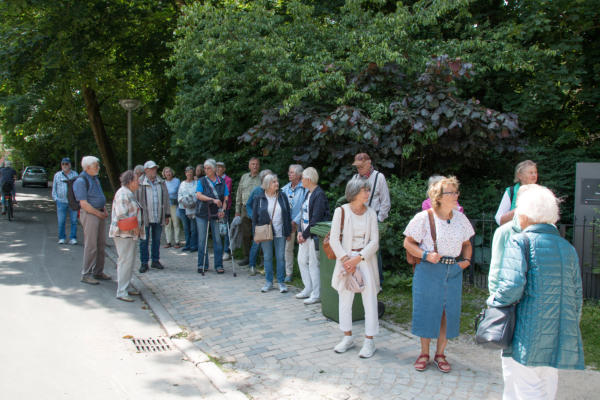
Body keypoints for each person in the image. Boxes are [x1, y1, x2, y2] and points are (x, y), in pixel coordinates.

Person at [488, 184, 584, 399]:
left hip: (526, 331)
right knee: (546, 385)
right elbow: (577, 296)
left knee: (523, 387)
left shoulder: (520, 241)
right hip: (557, 332)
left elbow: (511, 287)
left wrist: (493, 301)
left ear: (525, 213)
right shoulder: (567, 248)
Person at [403, 176, 474, 373]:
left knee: (447, 313)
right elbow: (408, 243)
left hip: (453, 271)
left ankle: (440, 354)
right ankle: (424, 353)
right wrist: (426, 255)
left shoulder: (460, 219)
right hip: (428, 270)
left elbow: (467, 244)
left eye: (456, 192)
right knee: (427, 310)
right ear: (438, 197)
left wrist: (466, 262)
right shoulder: (424, 218)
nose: (455, 195)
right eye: (451, 192)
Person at [329, 177, 380, 358]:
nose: (368, 193)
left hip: (365, 260)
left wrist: (358, 259)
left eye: (368, 190)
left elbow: (374, 242)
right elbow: (334, 239)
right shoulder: (341, 211)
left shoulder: (371, 213)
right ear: (354, 193)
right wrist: (346, 260)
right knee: (345, 299)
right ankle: (347, 337)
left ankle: (369, 341)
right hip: (345, 261)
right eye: (364, 190)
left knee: (370, 300)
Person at [352, 153, 390, 284]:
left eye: (361, 166)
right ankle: (362, 279)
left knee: (374, 251)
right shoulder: (355, 178)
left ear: (369, 163)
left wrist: (379, 220)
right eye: (357, 167)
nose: (359, 169)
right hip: (358, 219)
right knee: (359, 249)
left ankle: (378, 281)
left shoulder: (379, 177)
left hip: (374, 219)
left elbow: (385, 202)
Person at [294, 167, 330, 305]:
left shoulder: (319, 195)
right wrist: (299, 231)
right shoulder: (308, 193)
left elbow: (315, 219)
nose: (301, 180)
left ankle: (316, 294)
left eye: (302, 178)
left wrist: (304, 234)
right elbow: (302, 214)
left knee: (314, 264)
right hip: (305, 234)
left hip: (313, 236)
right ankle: (308, 288)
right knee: (301, 261)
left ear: (308, 179)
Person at [252, 174, 292, 293]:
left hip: (280, 232)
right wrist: (255, 234)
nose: (277, 183)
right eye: (274, 182)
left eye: (277, 181)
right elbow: (254, 218)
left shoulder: (282, 196)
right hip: (265, 232)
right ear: (267, 184)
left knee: (280, 257)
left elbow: (287, 214)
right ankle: (269, 282)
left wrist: (288, 231)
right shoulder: (259, 198)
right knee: (267, 257)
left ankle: (281, 282)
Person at [73, 156, 110, 285]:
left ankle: (98, 272)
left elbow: (98, 196)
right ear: (87, 167)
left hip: (98, 212)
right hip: (90, 214)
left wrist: (103, 209)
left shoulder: (94, 178)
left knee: (101, 244)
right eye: (96, 166)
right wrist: (98, 213)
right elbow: (83, 204)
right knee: (91, 245)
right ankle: (86, 274)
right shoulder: (81, 181)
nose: (98, 167)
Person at [109, 170, 144, 302]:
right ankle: (121, 291)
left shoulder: (128, 193)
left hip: (128, 233)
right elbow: (122, 214)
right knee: (125, 261)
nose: (138, 182)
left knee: (129, 261)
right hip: (124, 233)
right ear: (129, 181)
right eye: (136, 180)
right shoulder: (123, 193)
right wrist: (135, 227)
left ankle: (126, 287)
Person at [136, 160, 170, 273]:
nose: (154, 171)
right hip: (144, 217)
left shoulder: (161, 182)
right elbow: (135, 200)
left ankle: (155, 260)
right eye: (151, 169)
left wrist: (167, 215)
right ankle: (144, 263)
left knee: (156, 240)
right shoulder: (139, 183)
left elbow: (166, 199)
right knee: (143, 241)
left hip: (158, 216)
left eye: (155, 168)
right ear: (146, 170)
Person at [196, 159, 229, 274]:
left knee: (218, 240)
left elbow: (226, 198)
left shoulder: (222, 182)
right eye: (205, 168)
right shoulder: (201, 181)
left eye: (208, 168)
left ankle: (219, 265)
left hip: (216, 214)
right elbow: (199, 195)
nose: (206, 170)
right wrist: (212, 200)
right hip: (202, 213)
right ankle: (202, 264)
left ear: (214, 169)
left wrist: (223, 210)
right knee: (202, 240)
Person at [281, 164, 306, 283]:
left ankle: (304, 273)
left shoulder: (305, 188)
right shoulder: (284, 189)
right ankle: (289, 273)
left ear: (299, 175)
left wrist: (295, 221)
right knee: (288, 248)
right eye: (289, 172)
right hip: (287, 223)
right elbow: (282, 207)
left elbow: (305, 206)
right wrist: (288, 222)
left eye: (292, 172)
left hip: (302, 222)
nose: (289, 174)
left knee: (304, 248)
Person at [234, 157, 261, 265]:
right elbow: (239, 193)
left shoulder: (262, 178)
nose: (255, 166)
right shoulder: (244, 177)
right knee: (246, 234)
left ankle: (260, 258)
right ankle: (247, 257)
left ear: (259, 166)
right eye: (253, 164)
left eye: (257, 164)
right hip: (245, 209)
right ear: (249, 166)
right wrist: (237, 210)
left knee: (259, 234)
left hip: (258, 209)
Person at [245, 169, 272, 276]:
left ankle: (266, 267)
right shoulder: (257, 190)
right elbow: (248, 204)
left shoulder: (273, 190)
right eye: (267, 176)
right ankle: (252, 266)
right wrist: (252, 216)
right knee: (256, 244)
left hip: (270, 222)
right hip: (258, 223)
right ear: (262, 179)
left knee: (268, 244)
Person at [495, 160, 537, 226]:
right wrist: (519, 210)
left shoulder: (543, 192)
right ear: (520, 176)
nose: (534, 175)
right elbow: (499, 219)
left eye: (535, 172)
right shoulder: (511, 191)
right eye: (531, 173)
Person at [51, 158, 79, 244]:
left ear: (70, 165)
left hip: (72, 202)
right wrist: (56, 198)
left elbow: (79, 187)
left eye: (66, 164)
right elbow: (54, 188)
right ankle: (62, 238)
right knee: (61, 221)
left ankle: (73, 238)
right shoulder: (57, 175)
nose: (64, 166)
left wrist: (78, 199)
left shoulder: (75, 174)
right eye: (63, 164)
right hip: (61, 201)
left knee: (74, 221)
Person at [177, 166, 198, 252]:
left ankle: (194, 245)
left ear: (193, 173)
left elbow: (198, 194)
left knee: (193, 228)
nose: (189, 173)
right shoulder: (182, 184)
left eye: (191, 172)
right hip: (183, 208)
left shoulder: (196, 183)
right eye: (188, 172)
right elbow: (179, 195)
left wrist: (192, 203)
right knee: (186, 228)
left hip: (193, 208)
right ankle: (187, 245)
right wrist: (184, 203)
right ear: (185, 173)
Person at [162, 166, 183, 248]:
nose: (168, 173)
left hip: (175, 205)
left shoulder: (177, 181)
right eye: (166, 172)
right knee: (167, 224)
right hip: (166, 206)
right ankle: (168, 242)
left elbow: (180, 192)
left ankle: (177, 242)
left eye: (169, 171)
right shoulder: (162, 183)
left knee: (176, 223)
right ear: (164, 174)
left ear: (172, 172)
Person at [216, 161, 233, 260]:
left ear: (224, 169)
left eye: (220, 167)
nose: (218, 169)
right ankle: (218, 250)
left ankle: (226, 251)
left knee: (225, 229)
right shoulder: (213, 179)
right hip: (214, 207)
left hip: (225, 207)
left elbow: (225, 193)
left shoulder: (228, 180)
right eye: (216, 167)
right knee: (216, 229)